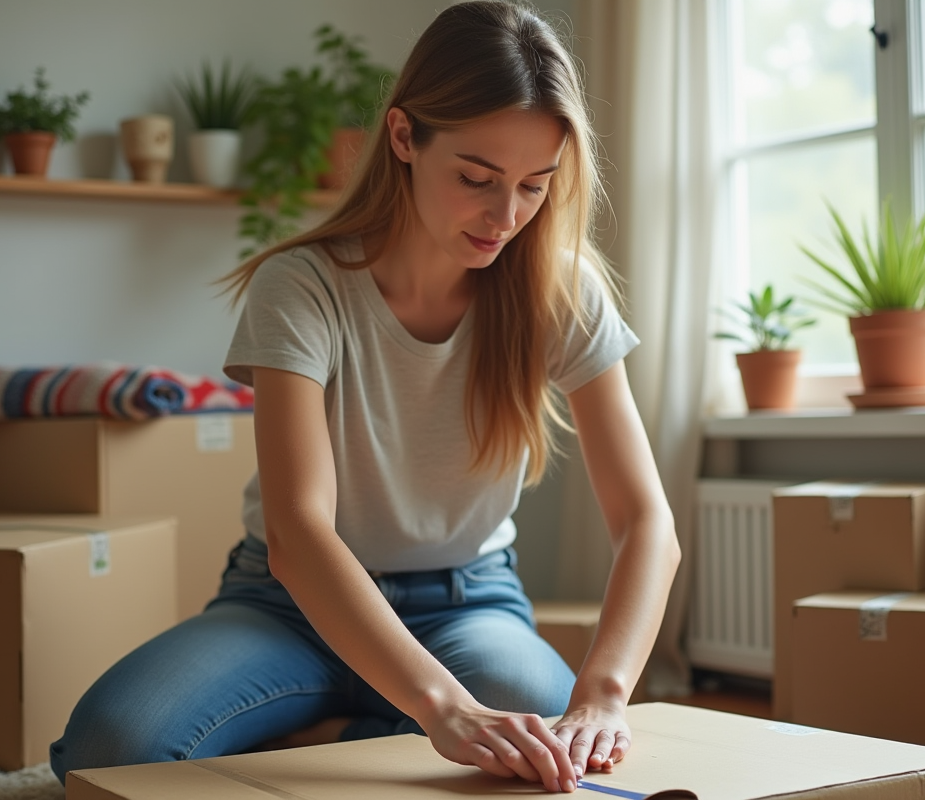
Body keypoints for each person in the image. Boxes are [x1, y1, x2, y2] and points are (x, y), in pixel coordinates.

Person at [49, 1, 680, 793]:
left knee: (547, 743)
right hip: (288, 606)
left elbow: (647, 521)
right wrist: (443, 709)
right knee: (109, 749)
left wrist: (604, 697)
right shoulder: (301, 287)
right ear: (405, 137)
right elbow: (300, 532)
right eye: (477, 179)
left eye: (533, 186)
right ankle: (380, 725)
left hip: (467, 604)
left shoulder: (562, 290)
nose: (506, 216)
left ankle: (329, 736)